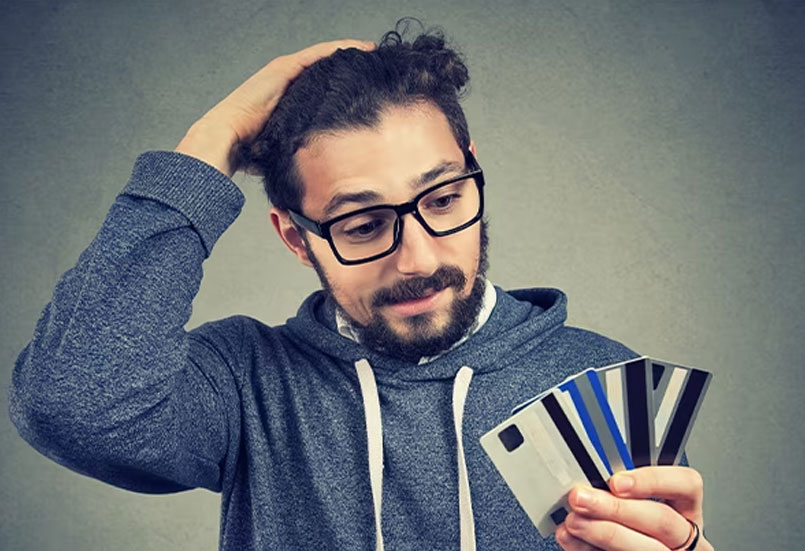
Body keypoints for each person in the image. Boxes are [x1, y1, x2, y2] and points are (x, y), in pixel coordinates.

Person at [9, 23, 712, 551]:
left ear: (472, 171)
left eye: (440, 199)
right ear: (295, 237)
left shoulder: (598, 379)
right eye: (362, 223)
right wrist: (209, 143)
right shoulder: (246, 384)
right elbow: (71, 404)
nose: (416, 256)